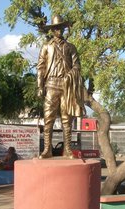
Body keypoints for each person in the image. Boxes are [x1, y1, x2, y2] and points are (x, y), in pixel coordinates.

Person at [37, 14, 84, 159]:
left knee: (67, 119)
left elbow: (77, 65)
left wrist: (71, 74)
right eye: (56, 28)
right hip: (51, 84)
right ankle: (47, 149)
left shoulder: (70, 47)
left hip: (66, 86)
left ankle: (68, 150)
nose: (59, 31)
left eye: (61, 28)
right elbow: (41, 66)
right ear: (52, 30)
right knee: (48, 118)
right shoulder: (46, 46)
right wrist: (40, 86)